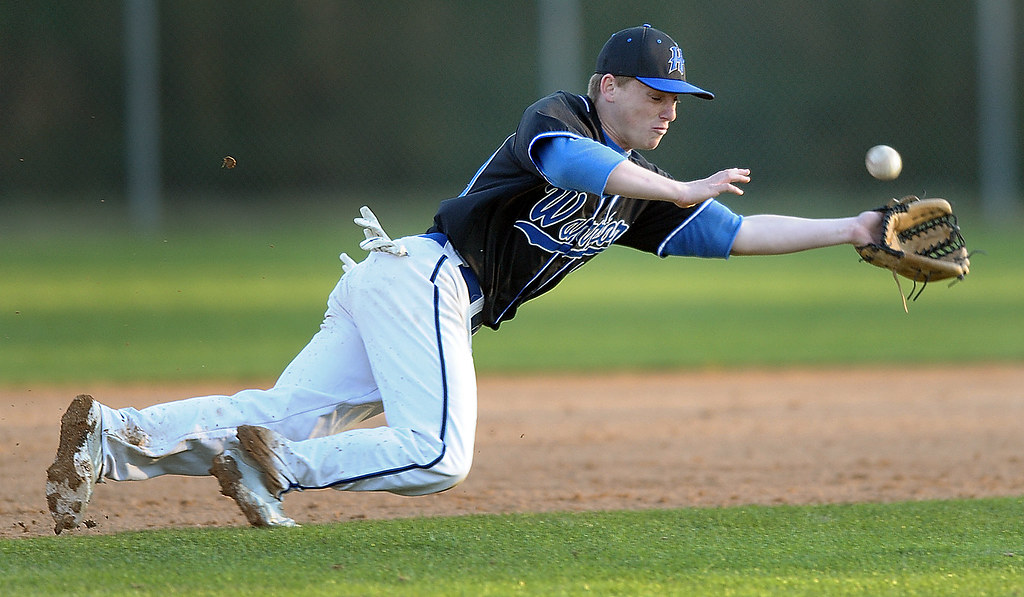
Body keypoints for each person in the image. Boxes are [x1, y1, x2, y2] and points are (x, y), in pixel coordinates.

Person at [45, 24, 882, 533]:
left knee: (278, 411)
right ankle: (277, 469)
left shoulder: (643, 192)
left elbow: (737, 233)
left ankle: (107, 437)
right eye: (655, 93)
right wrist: (678, 187)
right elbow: (577, 166)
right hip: (428, 279)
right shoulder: (560, 119)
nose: (669, 109)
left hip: (406, 285)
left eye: (677, 99)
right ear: (608, 87)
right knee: (440, 452)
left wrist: (852, 229)